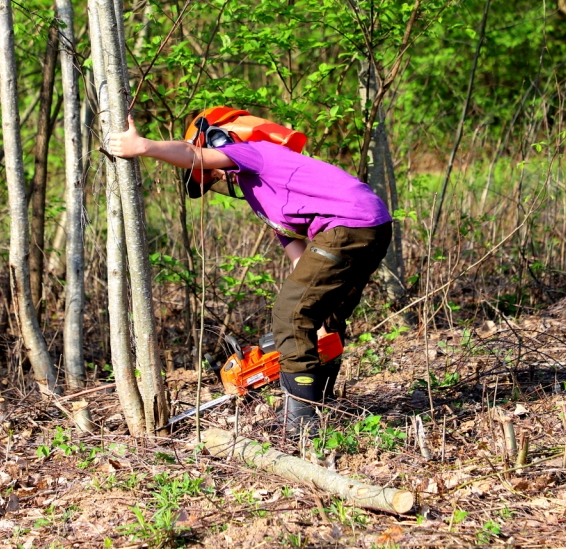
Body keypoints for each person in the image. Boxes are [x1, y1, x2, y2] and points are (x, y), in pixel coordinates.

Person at [107, 114, 392, 433]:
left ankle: (302, 423)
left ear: (218, 141)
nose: (216, 178)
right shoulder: (265, 197)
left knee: (289, 315)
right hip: (372, 227)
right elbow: (300, 261)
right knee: (323, 318)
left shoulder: (255, 152)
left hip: (349, 226)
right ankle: (319, 401)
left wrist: (141, 146)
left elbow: (190, 155)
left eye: (211, 171)